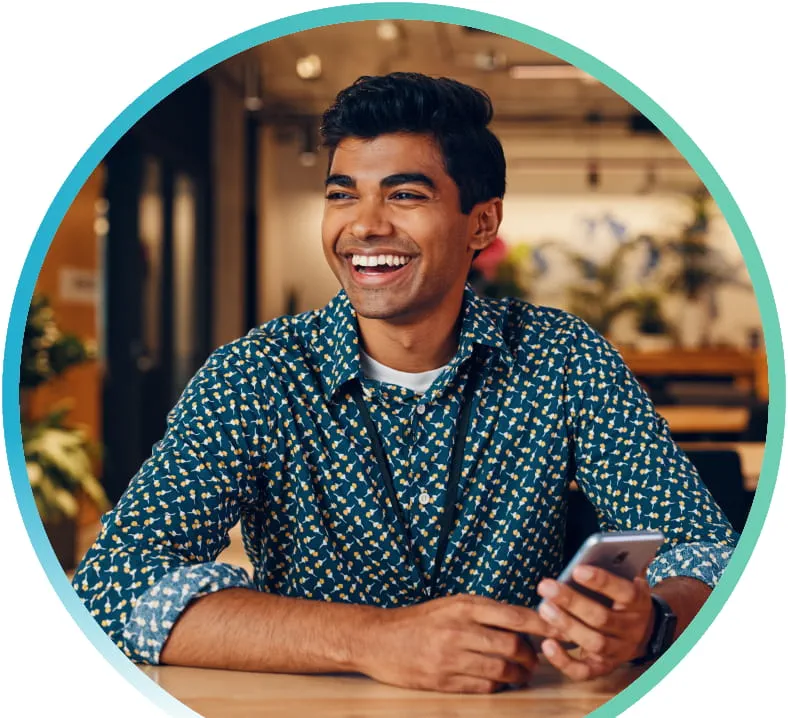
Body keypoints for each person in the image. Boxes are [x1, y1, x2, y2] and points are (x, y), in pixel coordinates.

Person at [72, 72, 738, 694]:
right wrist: (373, 640)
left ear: (482, 222)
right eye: (342, 195)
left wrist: (649, 622)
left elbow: (711, 555)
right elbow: (111, 585)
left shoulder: (564, 360)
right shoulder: (256, 375)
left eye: (404, 194)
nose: (363, 225)